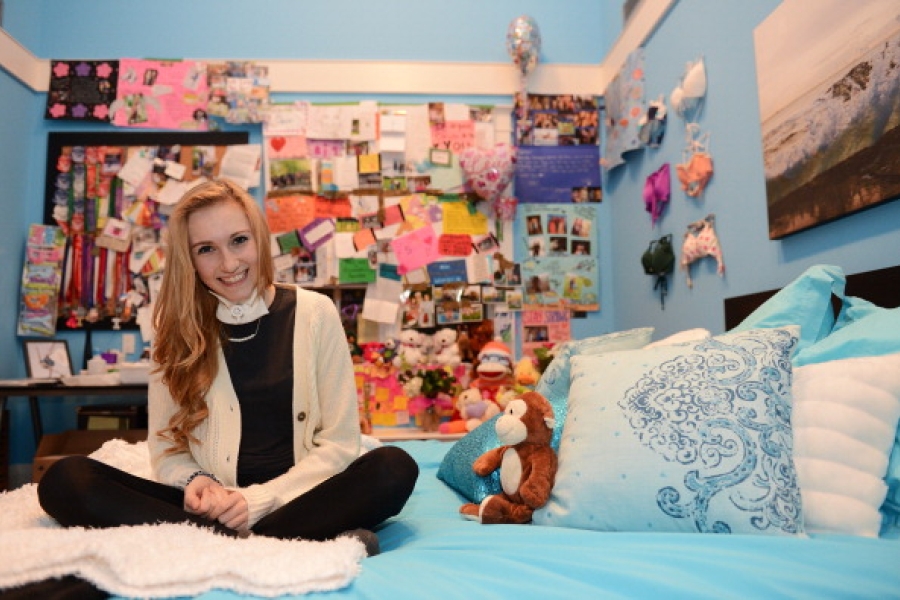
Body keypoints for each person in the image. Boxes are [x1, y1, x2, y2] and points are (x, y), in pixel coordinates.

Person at [37, 180, 418, 562]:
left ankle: (219, 546)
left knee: (393, 469)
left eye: (239, 241)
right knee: (65, 481)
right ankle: (281, 543)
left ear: (259, 239)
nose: (229, 264)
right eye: (207, 249)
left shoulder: (316, 313)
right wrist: (196, 481)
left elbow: (339, 443)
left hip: (299, 497)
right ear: (190, 260)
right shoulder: (173, 330)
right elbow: (168, 449)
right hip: (210, 510)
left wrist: (254, 502)